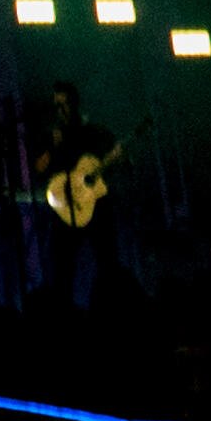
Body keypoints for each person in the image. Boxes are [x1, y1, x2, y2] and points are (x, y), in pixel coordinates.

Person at [29, 81, 129, 312]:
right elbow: (39, 169)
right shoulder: (50, 136)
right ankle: (65, 317)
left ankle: (114, 310)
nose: (60, 110)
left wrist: (116, 161)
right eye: (56, 105)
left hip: (96, 208)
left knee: (108, 263)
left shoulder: (93, 133)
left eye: (64, 104)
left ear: (74, 104)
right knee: (63, 269)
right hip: (64, 210)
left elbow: (109, 168)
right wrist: (53, 147)